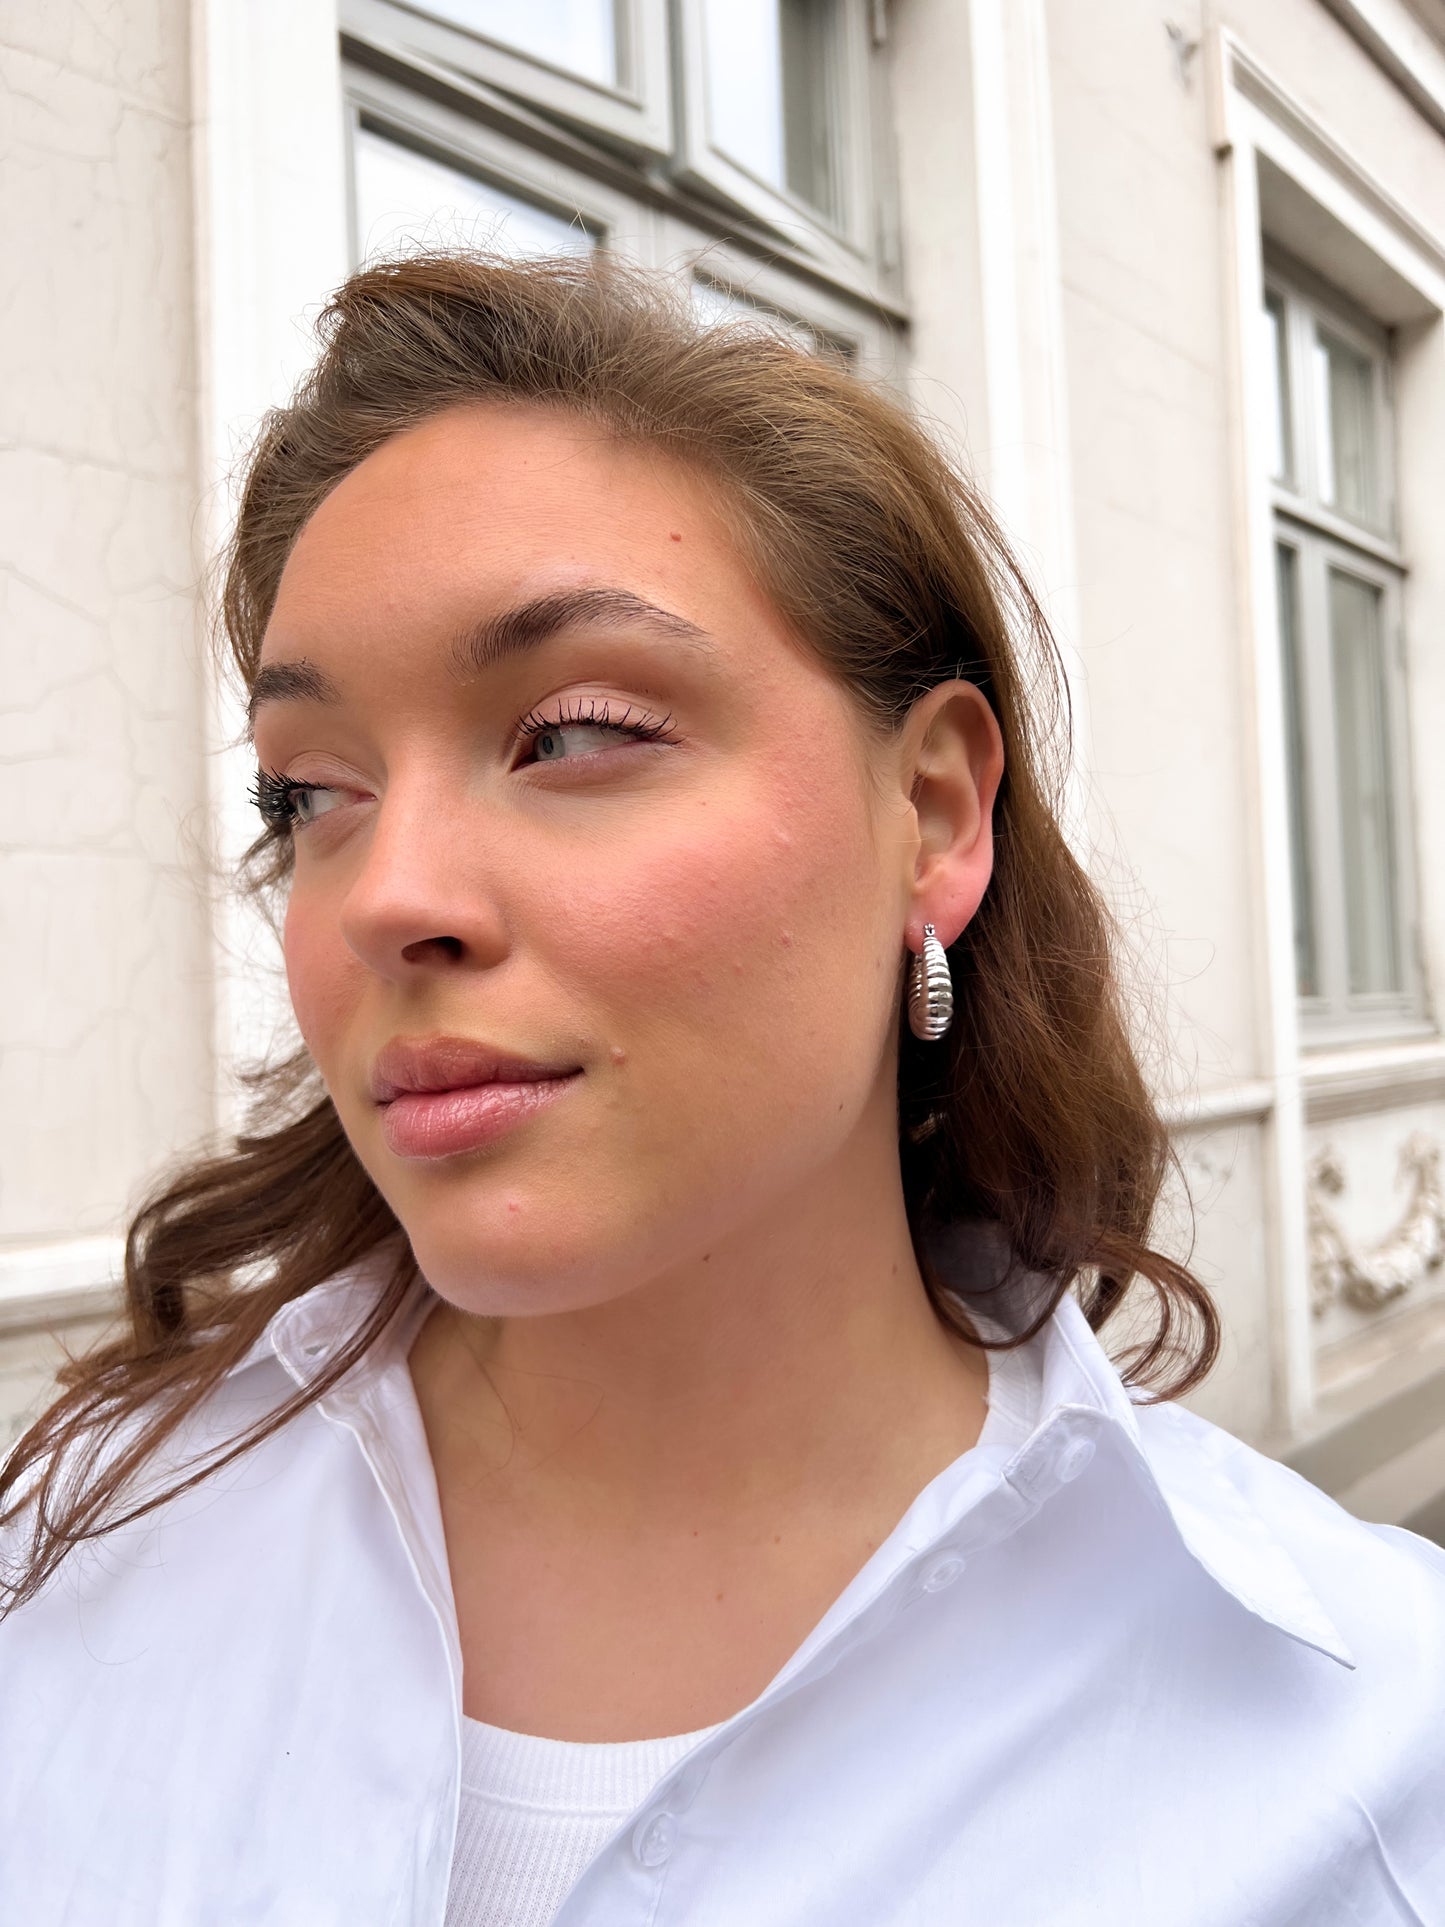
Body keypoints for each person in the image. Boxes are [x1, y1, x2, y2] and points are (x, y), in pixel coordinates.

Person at [1, 251, 1441, 1927]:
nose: (387, 895)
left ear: (934, 816)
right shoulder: (81, 1537)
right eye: (308, 791)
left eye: (577, 733)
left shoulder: (1361, 1746)